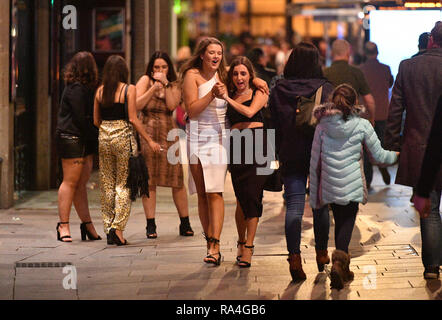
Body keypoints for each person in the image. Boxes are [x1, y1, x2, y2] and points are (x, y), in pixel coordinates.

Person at [181, 37, 268, 266]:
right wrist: (211, 94)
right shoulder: (192, 75)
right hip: (196, 136)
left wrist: (258, 80)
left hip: (220, 138)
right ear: (202, 54)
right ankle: (209, 241)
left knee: (215, 191)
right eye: (211, 52)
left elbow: (245, 73)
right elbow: (192, 110)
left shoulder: (225, 73)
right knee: (201, 193)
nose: (216, 56)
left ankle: (216, 244)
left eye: (219, 52)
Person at [309, 84, 398, 290]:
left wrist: (314, 193)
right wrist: (397, 156)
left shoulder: (322, 125)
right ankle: (340, 263)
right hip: (352, 184)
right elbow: (379, 155)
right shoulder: (362, 125)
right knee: (346, 221)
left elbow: (314, 161)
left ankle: (340, 266)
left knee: (339, 219)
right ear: (355, 103)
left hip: (329, 184)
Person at [269, 42, 334, 282]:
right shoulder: (326, 89)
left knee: (294, 206)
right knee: (320, 206)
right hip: (319, 154)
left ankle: (294, 257)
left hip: (290, 153)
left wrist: (275, 153)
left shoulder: (279, 90)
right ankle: (321, 253)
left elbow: (273, 126)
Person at [384, 21, 442, 280]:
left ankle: (431, 267)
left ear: (431, 40)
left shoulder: (408, 67)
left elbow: (396, 108)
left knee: (430, 210)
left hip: (421, 149)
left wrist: (392, 142)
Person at [94, 55, 159, 246]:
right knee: (123, 184)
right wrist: (149, 140)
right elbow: (133, 118)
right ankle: (118, 229)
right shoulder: (128, 89)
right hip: (123, 138)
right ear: (124, 71)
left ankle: (108, 228)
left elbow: (95, 120)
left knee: (107, 184)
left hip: (104, 138)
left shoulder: (100, 91)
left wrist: (107, 131)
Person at [135, 51, 194, 239]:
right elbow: (137, 105)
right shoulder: (145, 81)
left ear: (169, 68)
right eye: (156, 67)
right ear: (151, 69)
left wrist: (165, 84)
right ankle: (150, 224)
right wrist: (153, 87)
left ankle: (185, 222)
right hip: (148, 133)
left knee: (177, 180)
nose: (160, 70)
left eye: (163, 67)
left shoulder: (174, 84)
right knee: (149, 180)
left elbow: (171, 105)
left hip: (169, 134)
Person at [222, 56, 269, 268]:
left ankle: (249, 247)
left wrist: (227, 99)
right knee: (241, 198)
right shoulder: (229, 92)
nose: (239, 77)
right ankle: (241, 241)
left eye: (243, 73)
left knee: (253, 196)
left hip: (257, 144)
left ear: (250, 75)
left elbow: (250, 112)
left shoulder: (259, 92)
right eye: (235, 73)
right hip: (236, 146)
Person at [55, 51, 101, 242]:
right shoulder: (75, 89)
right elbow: (81, 118)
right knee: (70, 182)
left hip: (84, 139)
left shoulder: (86, 89)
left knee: (81, 184)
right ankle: (63, 225)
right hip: (72, 138)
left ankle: (87, 224)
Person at [324, 39, 376, 189]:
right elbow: (369, 100)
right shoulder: (356, 72)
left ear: (332, 54)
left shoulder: (325, 72)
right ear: (348, 53)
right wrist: (371, 118)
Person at [360, 41, 394, 186]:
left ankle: (367, 179)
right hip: (383, 113)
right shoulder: (386, 69)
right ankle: (382, 166)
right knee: (381, 145)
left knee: (367, 147)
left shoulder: (360, 70)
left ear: (365, 53)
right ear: (377, 52)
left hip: (366, 115)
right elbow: (390, 84)